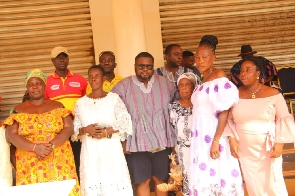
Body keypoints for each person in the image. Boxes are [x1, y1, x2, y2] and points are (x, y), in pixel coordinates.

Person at [2, 69, 80, 195]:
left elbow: (68, 128)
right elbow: (11, 135)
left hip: (57, 156)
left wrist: (50, 146)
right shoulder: (18, 110)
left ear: (45, 85)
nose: (35, 87)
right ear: (27, 88)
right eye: (30, 84)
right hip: (29, 159)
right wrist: (35, 148)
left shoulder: (58, 106)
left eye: (38, 83)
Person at [224, 56, 295, 196]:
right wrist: (231, 139)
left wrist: (280, 143)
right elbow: (228, 120)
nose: (242, 74)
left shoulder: (274, 94)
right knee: (253, 185)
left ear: (258, 73)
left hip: (268, 148)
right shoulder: (234, 95)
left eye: (248, 70)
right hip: (244, 149)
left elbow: (283, 118)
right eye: (241, 71)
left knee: (273, 184)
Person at [112, 52, 176, 196]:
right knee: (142, 181)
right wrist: (122, 141)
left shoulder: (167, 84)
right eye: (141, 66)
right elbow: (113, 113)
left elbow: (176, 111)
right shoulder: (123, 86)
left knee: (161, 179)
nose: (145, 69)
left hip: (162, 141)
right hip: (135, 144)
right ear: (135, 66)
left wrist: (174, 143)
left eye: (149, 66)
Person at [188, 35, 244, 195]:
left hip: (213, 135)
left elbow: (224, 111)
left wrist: (216, 140)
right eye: (197, 58)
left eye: (204, 57)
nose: (200, 61)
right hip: (200, 136)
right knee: (206, 175)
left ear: (214, 57)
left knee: (218, 173)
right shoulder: (203, 79)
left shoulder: (219, 77)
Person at [71, 65, 133, 195]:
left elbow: (125, 121)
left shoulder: (113, 98)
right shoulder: (80, 103)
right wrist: (85, 129)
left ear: (104, 78)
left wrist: (106, 132)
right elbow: (74, 129)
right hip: (90, 150)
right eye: (91, 76)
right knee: (93, 180)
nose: (93, 79)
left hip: (110, 148)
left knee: (113, 180)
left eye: (97, 76)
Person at [45, 46, 88, 180]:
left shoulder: (80, 79)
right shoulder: (46, 82)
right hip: (58, 131)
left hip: (78, 129)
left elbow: (87, 102)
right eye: (58, 57)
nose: (62, 60)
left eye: (64, 56)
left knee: (80, 161)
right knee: (62, 162)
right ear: (53, 61)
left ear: (68, 59)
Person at [168, 72, 197, 196]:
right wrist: (172, 157)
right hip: (181, 151)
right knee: (186, 183)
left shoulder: (200, 106)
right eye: (181, 85)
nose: (184, 87)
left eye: (187, 84)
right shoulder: (173, 107)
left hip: (199, 149)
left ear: (194, 87)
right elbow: (171, 132)